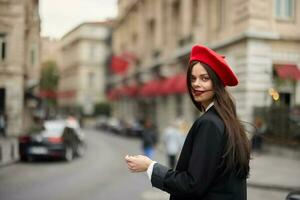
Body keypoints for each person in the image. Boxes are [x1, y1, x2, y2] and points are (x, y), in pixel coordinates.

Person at [125, 45, 251, 200]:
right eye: (193, 78)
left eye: (205, 78)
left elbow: (192, 185)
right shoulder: (227, 120)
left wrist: (150, 166)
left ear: (217, 83)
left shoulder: (210, 123)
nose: (196, 84)